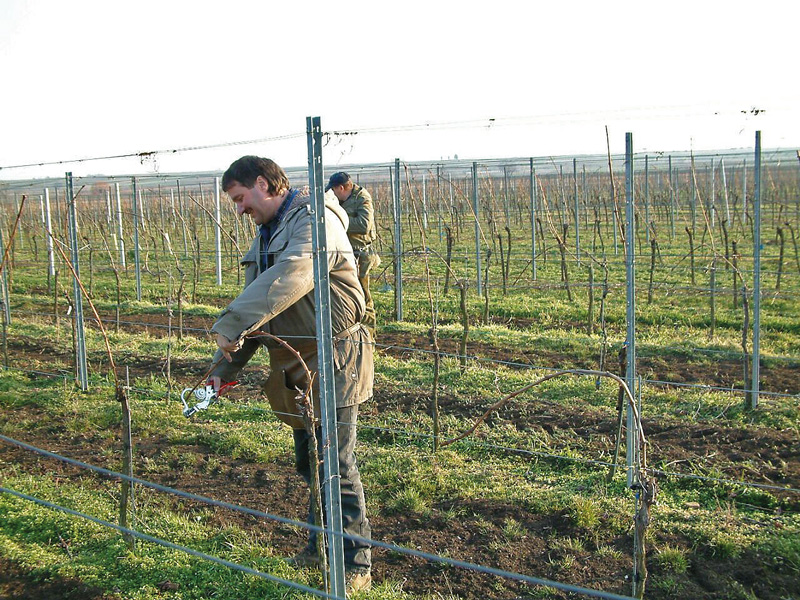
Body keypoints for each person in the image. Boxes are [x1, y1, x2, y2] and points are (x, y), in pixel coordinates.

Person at [207, 156, 373, 594]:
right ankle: (320, 545)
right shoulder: (269, 233)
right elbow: (262, 304)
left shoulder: (315, 221)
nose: (239, 210)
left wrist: (228, 322)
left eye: (241, 199)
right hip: (296, 362)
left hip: (334, 358)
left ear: (264, 183)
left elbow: (294, 274)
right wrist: (224, 370)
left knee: (334, 460)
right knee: (310, 461)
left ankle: (354, 561)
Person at [325, 172, 380, 338]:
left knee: (363, 296)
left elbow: (364, 225)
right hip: (346, 253)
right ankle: (352, 333)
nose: (333, 194)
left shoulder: (362, 198)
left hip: (361, 254)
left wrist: (338, 219)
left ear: (341, 188)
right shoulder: (342, 200)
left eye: (334, 190)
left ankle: (369, 337)